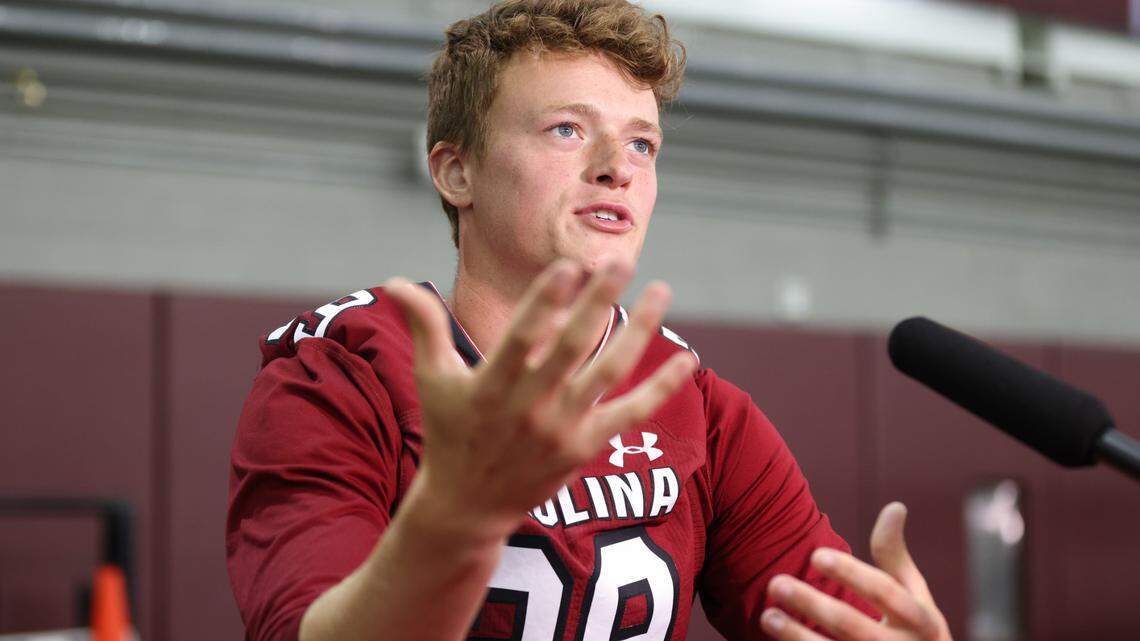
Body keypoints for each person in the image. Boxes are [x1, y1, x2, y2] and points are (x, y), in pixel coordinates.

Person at [226, 1, 953, 640]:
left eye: (642, 142)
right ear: (456, 171)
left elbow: (829, 618)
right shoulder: (343, 376)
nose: (618, 167)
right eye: (567, 130)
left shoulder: (698, 406)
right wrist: (451, 521)